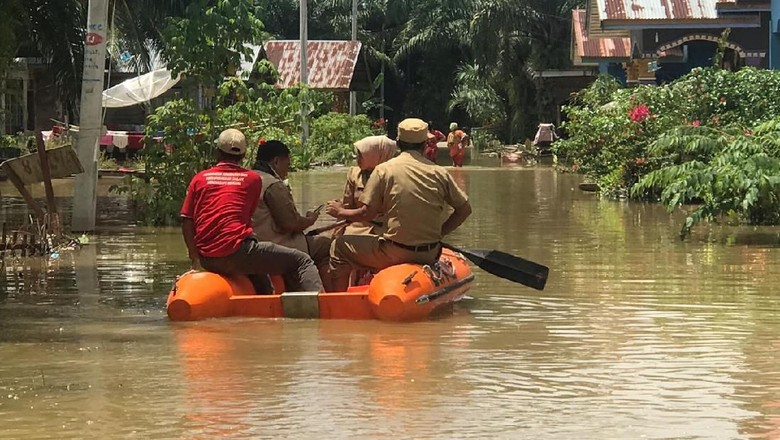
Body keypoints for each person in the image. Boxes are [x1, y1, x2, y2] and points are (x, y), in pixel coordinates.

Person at [325, 118, 473, 292]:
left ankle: (339, 304)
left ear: (398, 142)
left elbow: (366, 214)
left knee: (339, 247)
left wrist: (340, 211)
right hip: (431, 252)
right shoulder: (439, 172)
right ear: (425, 144)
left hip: (395, 252)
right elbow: (464, 210)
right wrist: (440, 233)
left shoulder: (384, 170)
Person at [180, 129, 323, 294]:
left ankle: (265, 302)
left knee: (261, 277)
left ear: (217, 152)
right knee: (302, 260)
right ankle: (324, 309)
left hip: (207, 257)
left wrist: (194, 255)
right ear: (243, 155)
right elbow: (246, 216)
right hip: (239, 252)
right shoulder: (252, 180)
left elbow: (187, 220)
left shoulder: (200, 179)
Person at [251, 139, 333, 291]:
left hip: (252, 245)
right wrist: (310, 219)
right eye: (287, 165)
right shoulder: (272, 184)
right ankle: (328, 296)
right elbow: (290, 223)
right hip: (276, 245)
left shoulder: (247, 178)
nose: (287, 171)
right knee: (325, 245)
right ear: (276, 162)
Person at [336, 135, 397, 237]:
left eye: (362, 155)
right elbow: (347, 207)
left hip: (385, 230)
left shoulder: (395, 176)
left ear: (376, 154)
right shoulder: (354, 174)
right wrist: (338, 231)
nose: (358, 159)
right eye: (358, 155)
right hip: (357, 227)